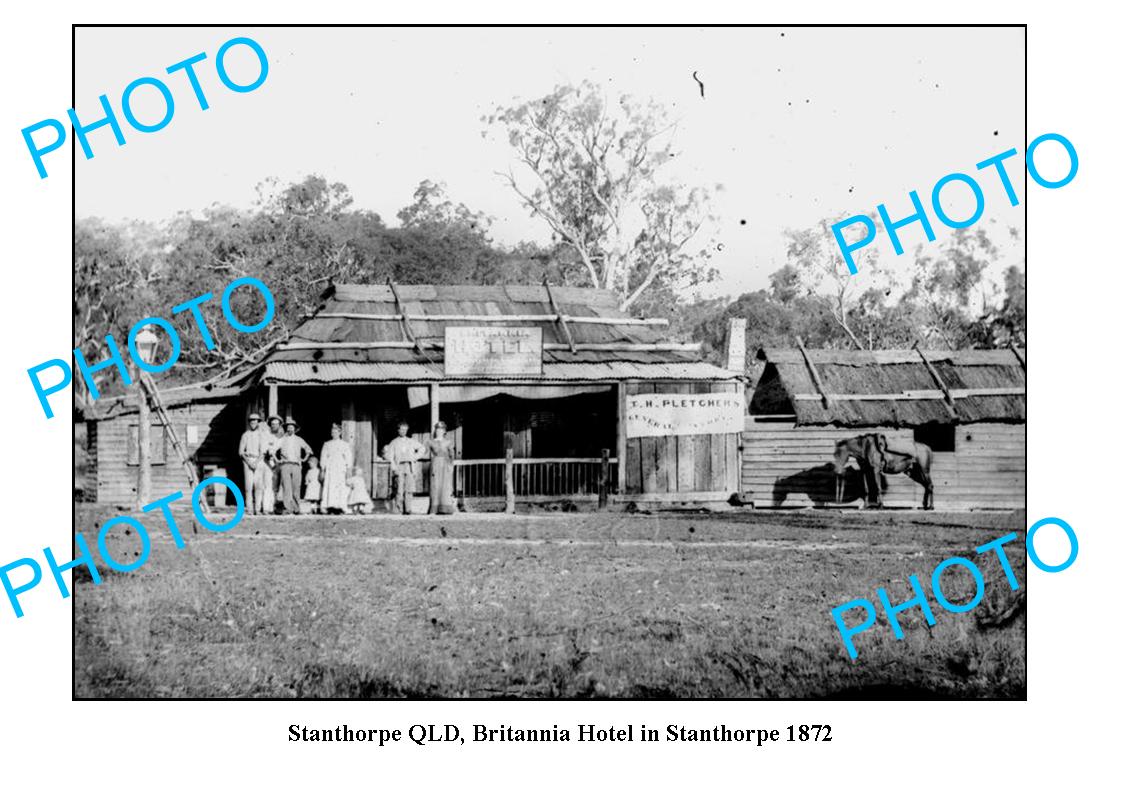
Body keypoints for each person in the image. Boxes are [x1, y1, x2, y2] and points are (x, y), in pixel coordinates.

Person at [382, 421, 427, 515]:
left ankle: (408, 509)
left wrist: (415, 457)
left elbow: (422, 448)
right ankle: (399, 509)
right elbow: (389, 455)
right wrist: (393, 465)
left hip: (409, 466)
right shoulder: (394, 442)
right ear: (398, 430)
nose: (403, 431)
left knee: (409, 488)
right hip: (399, 466)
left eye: (405, 430)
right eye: (401, 429)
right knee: (399, 489)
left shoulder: (411, 441)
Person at [275, 417, 312, 515]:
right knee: (286, 487)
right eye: (288, 427)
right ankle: (288, 508)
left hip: (296, 465)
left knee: (296, 487)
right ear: (286, 428)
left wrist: (303, 459)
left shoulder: (299, 440)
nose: (290, 429)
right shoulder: (282, 440)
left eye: (292, 427)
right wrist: (278, 460)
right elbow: (272, 450)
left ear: (295, 429)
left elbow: (308, 449)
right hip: (285, 465)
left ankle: (296, 508)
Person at [320, 423, 353, 515]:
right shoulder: (327, 444)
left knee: (341, 487)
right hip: (330, 468)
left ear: (340, 433)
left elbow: (348, 457)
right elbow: (323, 457)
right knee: (330, 486)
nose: (334, 433)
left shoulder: (344, 444)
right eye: (332, 432)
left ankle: (341, 506)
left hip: (340, 468)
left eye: (336, 432)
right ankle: (328, 506)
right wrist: (323, 469)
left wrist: (348, 469)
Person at [238, 412, 267, 514]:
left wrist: (256, 462)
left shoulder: (261, 435)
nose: (253, 422)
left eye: (255, 420)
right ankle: (249, 509)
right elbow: (241, 452)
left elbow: (263, 452)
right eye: (251, 421)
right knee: (248, 486)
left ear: (258, 422)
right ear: (249, 422)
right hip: (248, 460)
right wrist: (249, 462)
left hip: (258, 460)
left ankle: (258, 509)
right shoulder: (245, 435)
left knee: (258, 486)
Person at [427, 421, 456, 515]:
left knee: (445, 486)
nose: (439, 431)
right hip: (435, 465)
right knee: (435, 485)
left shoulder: (448, 442)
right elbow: (423, 451)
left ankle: (445, 509)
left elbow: (452, 455)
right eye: (437, 429)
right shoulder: (431, 442)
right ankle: (434, 509)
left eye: (441, 429)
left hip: (445, 465)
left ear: (444, 431)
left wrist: (451, 466)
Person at [261, 414, 284, 513]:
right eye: (273, 424)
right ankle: (266, 507)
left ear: (279, 425)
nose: (274, 426)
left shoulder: (282, 437)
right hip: (268, 462)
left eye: (277, 424)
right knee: (267, 485)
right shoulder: (266, 435)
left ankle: (275, 506)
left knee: (276, 486)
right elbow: (264, 449)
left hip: (279, 463)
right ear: (270, 424)